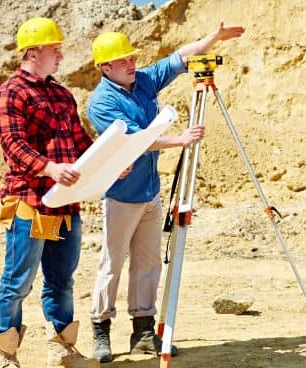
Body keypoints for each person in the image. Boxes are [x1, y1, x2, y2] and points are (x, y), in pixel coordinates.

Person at [87, 22, 245, 362]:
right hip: (120, 195)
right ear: (105, 67)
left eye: (131, 58)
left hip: (150, 192)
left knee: (148, 263)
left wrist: (211, 38)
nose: (131, 63)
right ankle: (101, 329)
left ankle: (143, 332)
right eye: (123, 60)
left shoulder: (142, 80)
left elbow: (177, 59)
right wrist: (180, 140)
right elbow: (133, 141)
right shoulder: (100, 103)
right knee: (112, 264)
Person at [0, 17, 97, 368]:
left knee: (62, 280)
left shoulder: (62, 94)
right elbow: (13, 145)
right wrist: (50, 168)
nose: (61, 57)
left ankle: (62, 350)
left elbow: (80, 142)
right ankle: (5, 354)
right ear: (33, 53)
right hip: (29, 202)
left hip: (65, 204)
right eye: (55, 50)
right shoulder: (9, 94)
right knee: (18, 280)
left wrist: (108, 160)